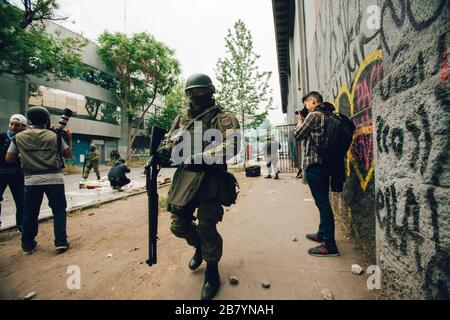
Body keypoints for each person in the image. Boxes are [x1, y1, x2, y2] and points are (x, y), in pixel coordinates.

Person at [159, 73, 240, 300]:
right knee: (178, 226)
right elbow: (169, 141)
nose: (195, 95)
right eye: (191, 91)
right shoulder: (181, 118)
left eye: (200, 91)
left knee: (206, 226)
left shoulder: (223, 117)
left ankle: (212, 271)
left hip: (211, 179)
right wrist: (163, 152)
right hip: (185, 178)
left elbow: (232, 145)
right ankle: (200, 247)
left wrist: (201, 156)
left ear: (210, 92)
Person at [6, 106, 72, 255]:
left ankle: (27, 244)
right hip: (54, 178)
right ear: (47, 120)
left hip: (31, 180)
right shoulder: (54, 136)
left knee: (30, 212)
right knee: (59, 210)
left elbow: (9, 158)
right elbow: (67, 154)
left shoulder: (19, 137)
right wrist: (68, 138)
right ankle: (60, 242)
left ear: (29, 121)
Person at [293, 91, 340, 257]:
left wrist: (300, 120)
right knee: (323, 202)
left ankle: (329, 245)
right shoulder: (327, 115)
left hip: (315, 166)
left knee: (323, 204)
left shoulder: (314, 116)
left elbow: (297, 135)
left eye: (306, 103)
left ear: (313, 101)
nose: (305, 106)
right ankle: (322, 233)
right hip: (325, 165)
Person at [0, 114, 27, 231]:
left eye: (17, 125)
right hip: (1, 173)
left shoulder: (25, 139)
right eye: (11, 124)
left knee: (21, 201)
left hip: (18, 174)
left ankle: (21, 225)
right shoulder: (1, 136)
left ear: (23, 127)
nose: (13, 127)